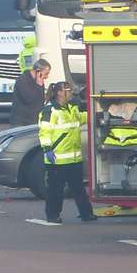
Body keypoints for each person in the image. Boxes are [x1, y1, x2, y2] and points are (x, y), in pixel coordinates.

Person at [38, 80, 93, 224]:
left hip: (74, 159)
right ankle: (53, 215)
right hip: (57, 159)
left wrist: (95, 113)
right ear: (59, 93)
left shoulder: (71, 108)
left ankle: (86, 214)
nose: (71, 92)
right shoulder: (50, 111)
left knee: (79, 189)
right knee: (55, 191)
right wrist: (47, 149)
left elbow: (81, 118)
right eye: (67, 90)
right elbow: (44, 132)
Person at [12, 58, 51, 128]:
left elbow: (40, 101)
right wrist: (38, 85)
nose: (47, 77)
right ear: (38, 72)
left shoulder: (39, 81)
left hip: (34, 121)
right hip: (21, 122)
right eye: (46, 74)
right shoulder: (22, 80)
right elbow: (28, 99)